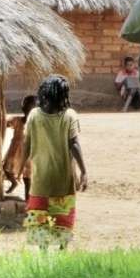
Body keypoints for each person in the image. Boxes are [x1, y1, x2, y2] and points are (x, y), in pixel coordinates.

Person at [22, 75, 88, 249]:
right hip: (63, 182)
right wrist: (84, 171)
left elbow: (26, 144)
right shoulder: (69, 115)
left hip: (40, 182)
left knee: (39, 218)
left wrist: (21, 166)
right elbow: (74, 143)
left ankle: (43, 251)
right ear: (64, 94)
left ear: (43, 93)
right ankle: (62, 250)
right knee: (63, 219)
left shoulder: (34, 116)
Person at [3, 95, 37, 197]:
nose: (28, 112)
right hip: (15, 152)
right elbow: (6, 123)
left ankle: (28, 198)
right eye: (26, 109)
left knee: (27, 178)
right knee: (6, 168)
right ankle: (14, 182)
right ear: (23, 109)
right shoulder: (18, 120)